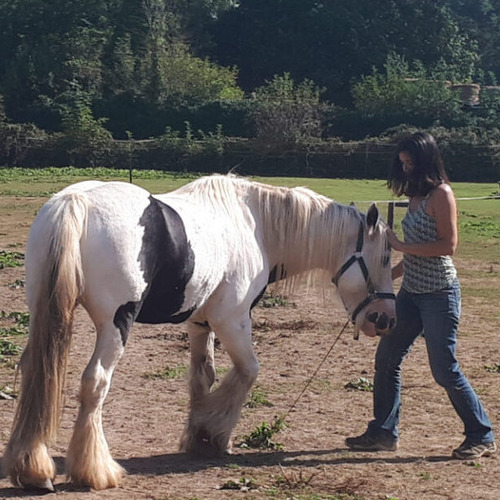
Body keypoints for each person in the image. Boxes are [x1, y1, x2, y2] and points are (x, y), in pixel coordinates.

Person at [345, 131, 496, 459]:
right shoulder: (414, 196)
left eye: (410, 162)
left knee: (444, 369)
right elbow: (413, 256)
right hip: (411, 294)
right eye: (402, 163)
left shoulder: (441, 194)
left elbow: (448, 246)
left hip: (440, 295)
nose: (406, 168)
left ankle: (481, 434)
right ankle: (384, 432)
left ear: (426, 160)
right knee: (386, 359)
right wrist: (382, 280)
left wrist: (399, 245)